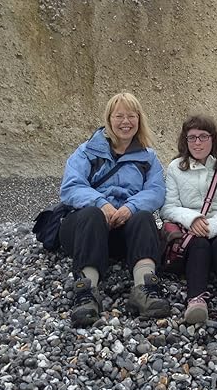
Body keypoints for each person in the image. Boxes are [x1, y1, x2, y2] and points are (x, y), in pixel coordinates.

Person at [59, 92, 170, 327]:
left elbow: (156, 191)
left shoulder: (147, 157)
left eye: (131, 116)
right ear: (109, 119)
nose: (125, 122)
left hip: (123, 231)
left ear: (139, 120)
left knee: (143, 218)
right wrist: (102, 204)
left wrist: (130, 207)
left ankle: (145, 287)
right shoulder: (87, 151)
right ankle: (86, 292)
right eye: (119, 115)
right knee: (91, 214)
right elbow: (71, 187)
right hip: (85, 228)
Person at [160, 114, 217, 325]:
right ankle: (196, 302)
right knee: (199, 245)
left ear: (213, 138)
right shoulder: (176, 168)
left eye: (203, 136)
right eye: (191, 137)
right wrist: (192, 219)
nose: (197, 142)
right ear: (185, 140)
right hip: (190, 232)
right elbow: (167, 207)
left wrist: (211, 226)